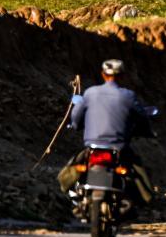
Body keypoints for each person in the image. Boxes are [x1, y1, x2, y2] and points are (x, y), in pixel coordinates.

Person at [58, 58, 154, 206]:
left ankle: (68, 193)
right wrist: (148, 132)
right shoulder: (128, 96)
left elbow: (76, 114)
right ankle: (146, 200)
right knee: (138, 171)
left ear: (103, 74)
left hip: (93, 147)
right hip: (120, 148)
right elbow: (142, 118)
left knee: (72, 167)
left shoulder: (90, 93)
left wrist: (76, 125)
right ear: (122, 76)